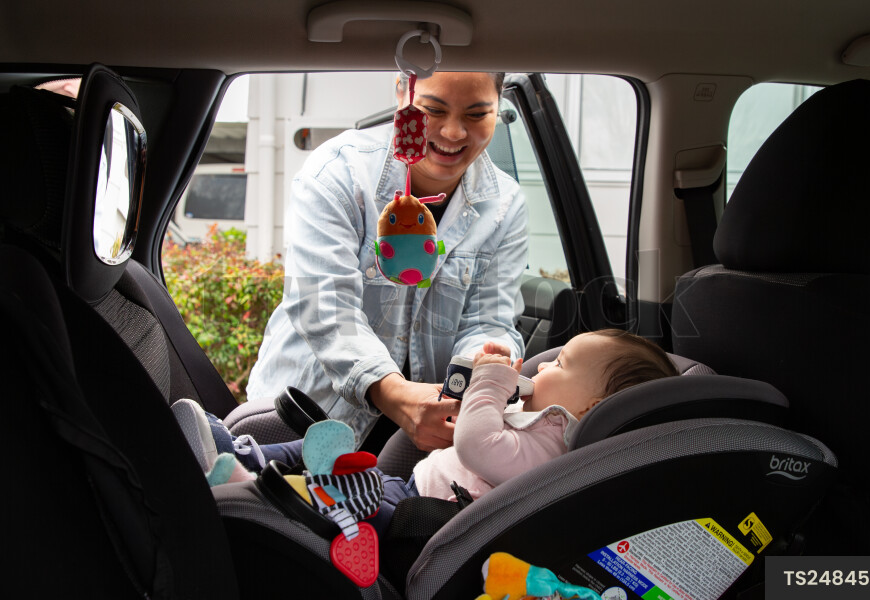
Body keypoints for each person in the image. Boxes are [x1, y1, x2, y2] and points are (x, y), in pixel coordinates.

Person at [246, 71, 528, 452]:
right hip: (305, 420)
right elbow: (323, 305)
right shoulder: (339, 172)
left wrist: (484, 358)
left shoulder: (505, 206)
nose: (454, 132)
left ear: (499, 107)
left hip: (426, 440)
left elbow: (490, 319)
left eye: (477, 115)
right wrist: (394, 393)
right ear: (401, 94)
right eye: (433, 110)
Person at [182, 329, 677, 533]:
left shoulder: (556, 445)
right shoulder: (538, 418)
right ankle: (232, 449)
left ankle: (250, 488)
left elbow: (479, 445)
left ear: (589, 407)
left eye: (561, 364)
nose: (544, 368)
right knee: (333, 448)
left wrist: (487, 387)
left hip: (421, 516)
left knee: (341, 494)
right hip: (411, 484)